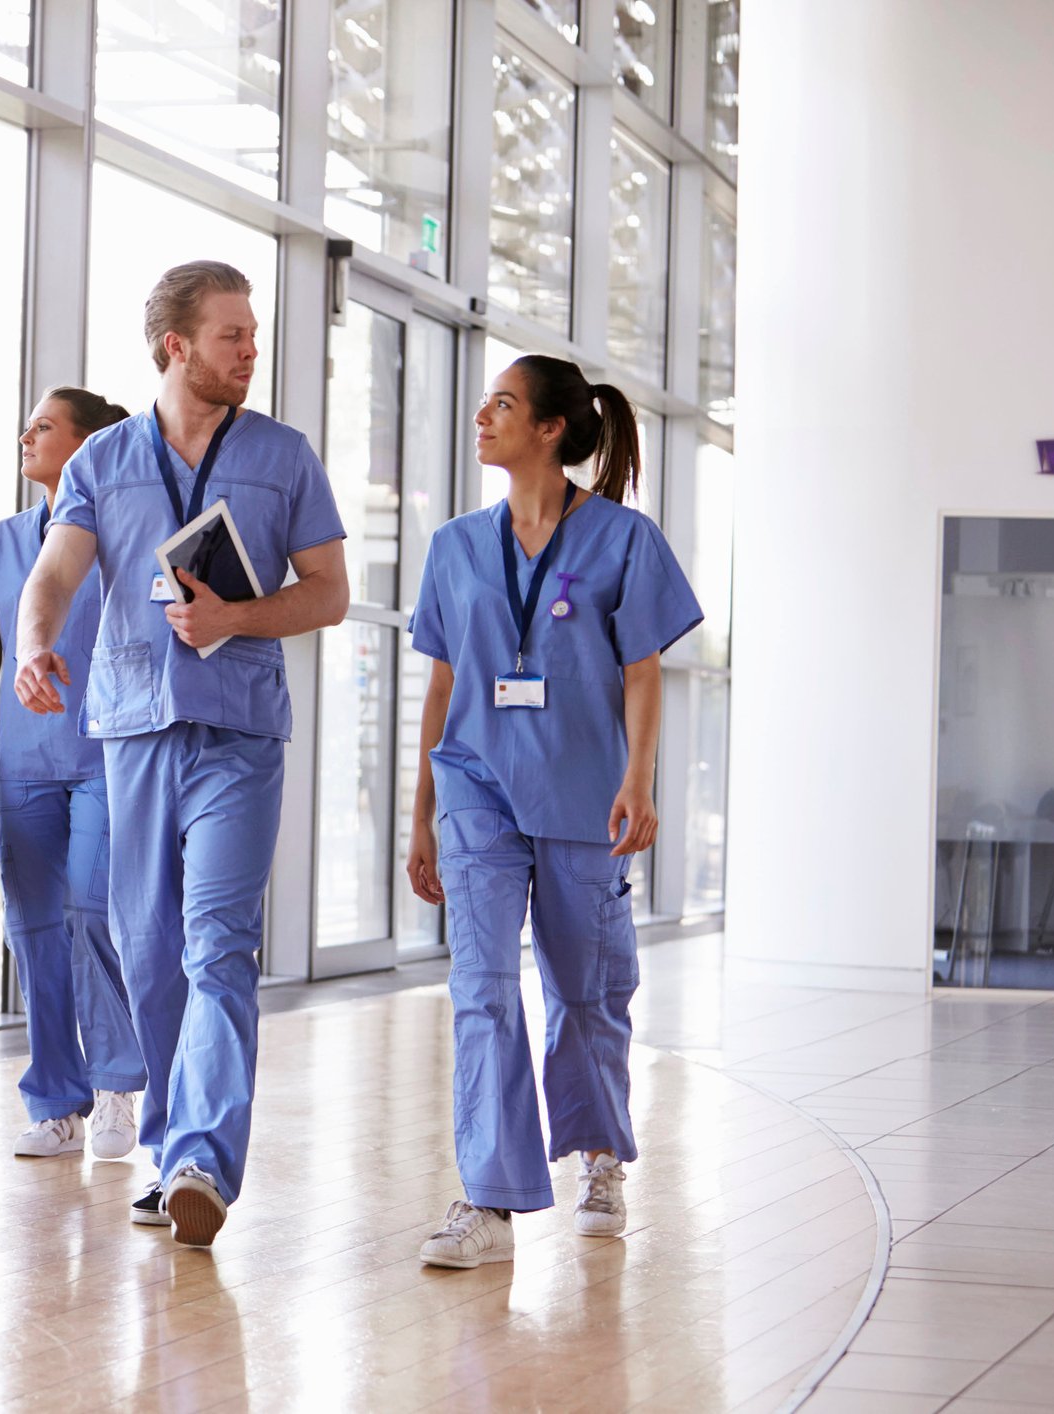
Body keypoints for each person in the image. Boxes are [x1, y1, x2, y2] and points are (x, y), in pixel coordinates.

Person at [14, 262, 349, 1247]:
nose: (252, 350)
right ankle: (169, 1149)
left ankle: (203, 1153)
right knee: (151, 951)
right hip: (132, 731)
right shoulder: (103, 461)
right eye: (233, 336)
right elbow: (54, 574)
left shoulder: (284, 457)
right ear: (177, 347)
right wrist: (36, 644)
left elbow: (327, 590)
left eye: (252, 334)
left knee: (217, 944)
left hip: (240, 733)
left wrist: (237, 615)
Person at [405, 354, 702, 1268]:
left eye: (502, 403)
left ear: (549, 431)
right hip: (476, 790)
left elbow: (644, 669)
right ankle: (488, 1201)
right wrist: (420, 812)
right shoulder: (456, 545)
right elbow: (443, 679)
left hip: (582, 792)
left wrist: (638, 780)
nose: (482, 414)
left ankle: (600, 1154)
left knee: (585, 991)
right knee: (481, 990)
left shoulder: (623, 539)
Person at [0, 387, 147, 1162]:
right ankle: (57, 1099)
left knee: (91, 912)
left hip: (107, 755)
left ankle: (119, 1084)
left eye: (45, 426)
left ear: (91, 445)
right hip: (22, 766)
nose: (26, 434)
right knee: (32, 932)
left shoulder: (124, 537)